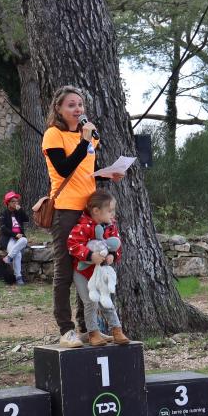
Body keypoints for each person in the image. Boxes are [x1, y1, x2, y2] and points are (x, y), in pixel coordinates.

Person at [39, 85, 125, 348]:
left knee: (87, 269)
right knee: (65, 271)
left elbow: (87, 171)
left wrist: (108, 174)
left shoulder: (89, 137)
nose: (78, 109)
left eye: (80, 105)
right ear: (59, 109)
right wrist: (84, 142)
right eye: (71, 105)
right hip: (66, 210)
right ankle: (66, 330)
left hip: (89, 212)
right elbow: (64, 170)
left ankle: (88, 328)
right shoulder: (53, 135)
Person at [66, 190, 130, 347]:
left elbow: (116, 244)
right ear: (96, 211)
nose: (113, 214)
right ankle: (93, 333)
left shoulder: (110, 227)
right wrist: (90, 255)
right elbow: (73, 244)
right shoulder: (82, 226)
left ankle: (117, 330)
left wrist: (112, 256)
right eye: (110, 211)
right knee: (90, 302)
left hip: (100, 273)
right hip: (82, 272)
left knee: (106, 301)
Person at [0, 191, 29, 285]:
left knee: (24, 240)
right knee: (18, 254)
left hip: (19, 239)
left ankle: (9, 257)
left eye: (17, 201)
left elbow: (27, 219)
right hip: (8, 238)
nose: (16, 203)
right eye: (13, 201)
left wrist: (21, 210)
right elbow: (3, 228)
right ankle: (18, 277)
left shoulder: (18, 212)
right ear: (8, 203)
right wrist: (15, 235)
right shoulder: (3, 213)